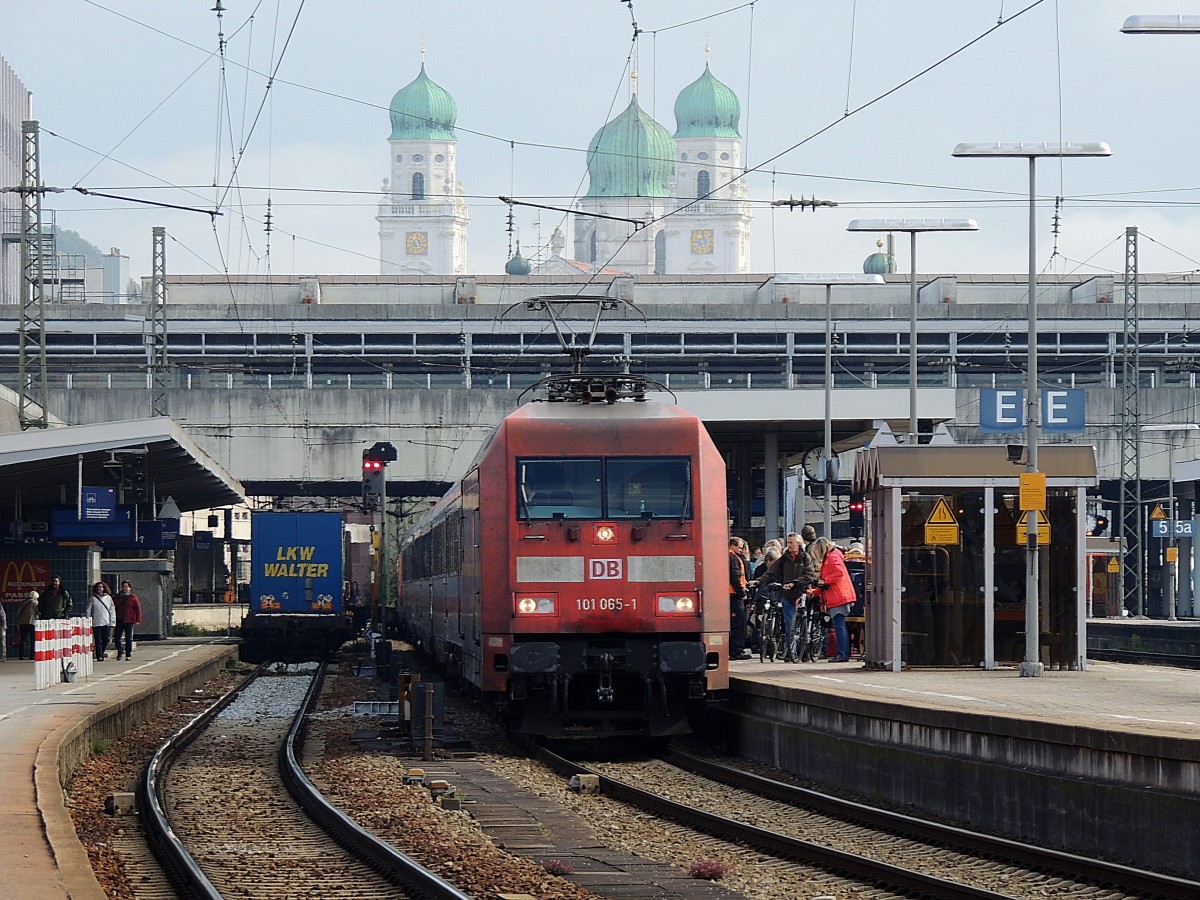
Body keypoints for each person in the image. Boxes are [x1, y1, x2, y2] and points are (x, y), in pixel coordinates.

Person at [765, 532, 819, 662]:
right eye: (788, 543)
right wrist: (759, 580)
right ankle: (791, 652)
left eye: (791, 542)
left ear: (798, 544)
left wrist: (795, 583)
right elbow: (772, 572)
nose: (788, 545)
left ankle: (804, 651)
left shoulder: (805, 557)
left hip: (801, 592)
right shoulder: (784, 558)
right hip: (787, 594)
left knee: (803, 622)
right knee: (790, 624)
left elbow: (809, 575)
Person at [810, 537, 856, 662]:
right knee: (841, 625)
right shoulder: (834, 556)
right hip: (840, 595)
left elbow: (838, 573)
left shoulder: (831, 557)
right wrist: (816, 591)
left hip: (838, 596)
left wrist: (824, 581)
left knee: (839, 625)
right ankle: (843, 653)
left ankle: (842, 654)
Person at [728, 537, 751, 660]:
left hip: (733, 594)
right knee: (738, 624)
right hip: (735, 595)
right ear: (732, 546)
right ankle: (737, 651)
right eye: (740, 547)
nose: (741, 550)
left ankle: (735, 649)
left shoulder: (732, 557)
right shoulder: (732, 558)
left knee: (736, 623)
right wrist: (742, 593)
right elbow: (735, 577)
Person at [113, 580, 142, 661]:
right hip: (119, 619)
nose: (125, 588)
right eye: (123, 586)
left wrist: (138, 619)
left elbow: (138, 608)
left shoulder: (133, 597)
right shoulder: (117, 597)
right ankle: (120, 651)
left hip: (130, 620)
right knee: (117, 637)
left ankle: (128, 654)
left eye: (126, 587)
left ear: (130, 588)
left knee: (129, 638)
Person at [88, 581, 117, 661]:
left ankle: (102, 652)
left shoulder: (108, 598)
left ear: (104, 588)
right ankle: (99, 656)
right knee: (98, 640)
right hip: (96, 622)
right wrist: (88, 620)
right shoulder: (93, 598)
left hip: (106, 622)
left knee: (105, 640)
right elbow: (88, 610)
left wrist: (112, 622)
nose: (99, 588)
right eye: (98, 587)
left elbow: (112, 610)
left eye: (101, 587)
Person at [15, 590, 38, 660]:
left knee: (23, 640)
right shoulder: (36, 603)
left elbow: (18, 612)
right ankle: (32, 656)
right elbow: (38, 613)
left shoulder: (23, 602)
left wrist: (16, 621)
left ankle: (21, 655)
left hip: (23, 623)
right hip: (33, 623)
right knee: (33, 640)